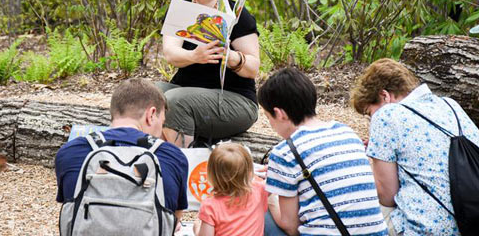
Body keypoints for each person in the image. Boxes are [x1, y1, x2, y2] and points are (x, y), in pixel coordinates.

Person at [349, 58, 479, 235]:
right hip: (472, 219)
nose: (371, 120)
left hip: (430, 229)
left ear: (384, 96)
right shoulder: (450, 104)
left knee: (359, 213)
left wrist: (373, 159)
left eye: (369, 113)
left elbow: (387, 197)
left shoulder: (386, 114)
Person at [259, 67, 388, 236]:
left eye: (268, 118)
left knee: (261, 212)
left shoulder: (284, 152)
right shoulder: (347, 132)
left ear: (279, 113)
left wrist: (268, 195)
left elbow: (290, 226)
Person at [158, 0, 260, 148]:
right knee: (143, 94)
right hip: (185, 90)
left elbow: (253, 68)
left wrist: (232, 58)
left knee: (176, 101)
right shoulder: (180, 10)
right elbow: (171, 54)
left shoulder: (238, 16)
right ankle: (146, 159)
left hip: (235, 101)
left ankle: (181, 165)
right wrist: (195, 55)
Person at [55, 78, 189, 228]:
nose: (160, 130)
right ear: (151, 114)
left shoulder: (70, 153)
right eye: (162, 122)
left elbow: (69, 211)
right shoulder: (173, 157)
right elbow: (173, 223)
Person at [192, 142, 283, 236]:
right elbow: (279, 180)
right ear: (250, 171)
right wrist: (273, 170)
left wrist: (197, 228)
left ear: (211, 173)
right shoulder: (260, 189)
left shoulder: (210, 206)